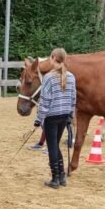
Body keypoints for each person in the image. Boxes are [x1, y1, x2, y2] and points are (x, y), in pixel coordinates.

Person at [34, 48, 76, 189]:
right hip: (64, 115)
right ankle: (61, 176)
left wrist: (38, 119)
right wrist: (70, 115)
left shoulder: (48, 77)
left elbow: (45, 101)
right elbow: (73, 98)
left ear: (53, 58)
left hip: (51, 116)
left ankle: (55, 178)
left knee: (52, 146)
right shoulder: (71, 77)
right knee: (55, 145)